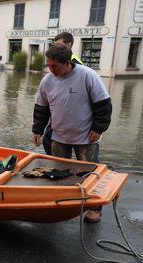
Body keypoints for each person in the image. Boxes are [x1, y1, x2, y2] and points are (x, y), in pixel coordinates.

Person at [32, 45, 112, 224]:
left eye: (54, 66)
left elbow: (104, 105)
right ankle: (62, 204)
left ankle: (94, 209)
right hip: (59, 135)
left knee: (90, 173)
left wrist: (98, 129)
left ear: (67, 63)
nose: (50, 69)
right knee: (59, 173)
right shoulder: (47, 81)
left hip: (86, 136)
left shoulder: (87, 75)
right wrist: (37, 129)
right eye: (48, 65)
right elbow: (41, 108)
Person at [41, 32, 86, 156]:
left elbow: (75, 91)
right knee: (49, 141)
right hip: (59, 113)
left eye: (59, 45)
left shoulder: (76, 64)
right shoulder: (50, 74)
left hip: (72, 116)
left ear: (69, 45)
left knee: (50, 140)